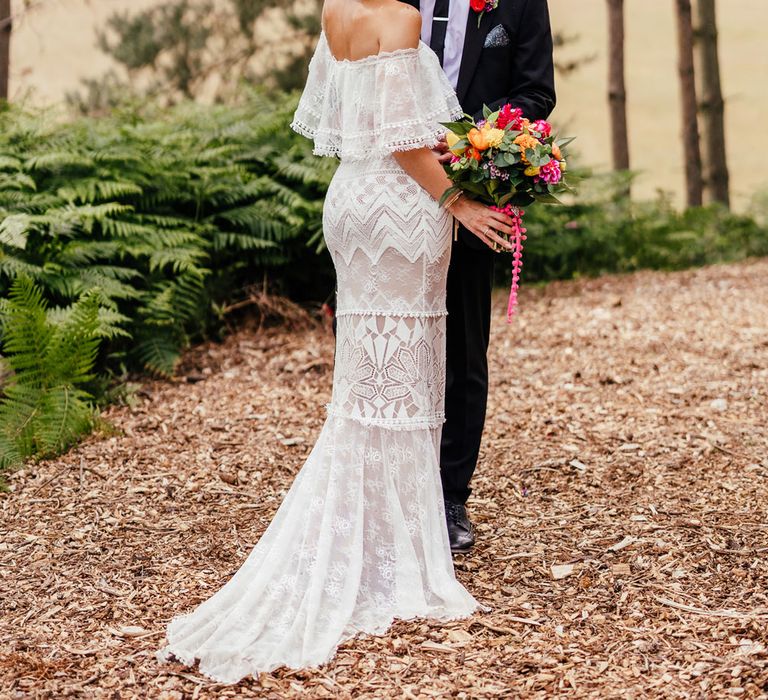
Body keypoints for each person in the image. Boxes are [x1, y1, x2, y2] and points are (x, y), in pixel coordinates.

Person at [156, 0, 517, 683]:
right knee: (406, 381)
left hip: (351, 202)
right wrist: (461, 204)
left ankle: (375, 534)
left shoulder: (335, 9)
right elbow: (402, 138)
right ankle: (401, 553)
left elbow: (345, 120)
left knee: (363, 388)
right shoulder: (401, 20)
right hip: (402, 207)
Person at [404, 0, 556, 553]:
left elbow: (536, 95)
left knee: (464, 349)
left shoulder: (519, 3)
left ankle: (448, 498)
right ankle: (386, 487)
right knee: (388, 339)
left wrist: (473, 143)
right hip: (391, 189)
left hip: (473, 191)